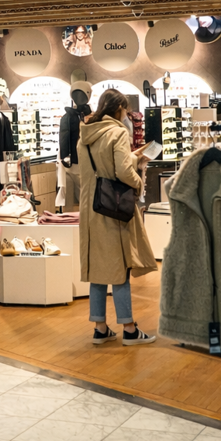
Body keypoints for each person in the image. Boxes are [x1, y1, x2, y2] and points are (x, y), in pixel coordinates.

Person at [77, 88, 158, 346]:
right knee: (120, 267)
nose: (126, 115)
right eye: (125, 110)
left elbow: (101, 167)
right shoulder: (118, 133)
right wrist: (139, 182)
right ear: (119, 109)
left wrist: (130, 158)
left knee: (98, 269)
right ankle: (130, 329)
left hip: (91, 207)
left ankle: (100, 327)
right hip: (113, 208)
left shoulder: (85, 135)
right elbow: (122, 171)